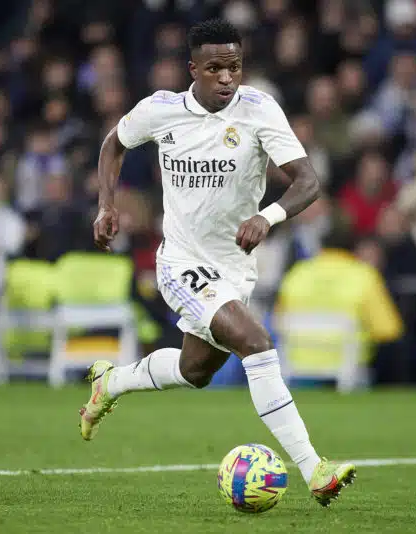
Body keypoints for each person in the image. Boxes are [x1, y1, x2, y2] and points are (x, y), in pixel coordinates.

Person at [84, 19, 355, 507]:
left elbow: (307, 181)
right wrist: (107, 205)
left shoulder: (259, 110)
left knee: (195, 370)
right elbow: (113, 145)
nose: (227, 77)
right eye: (215, 68)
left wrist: (267, 217)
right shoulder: (161, 110)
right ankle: (315, 469)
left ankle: (112, 381)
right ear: (194, 70)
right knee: (256, 341)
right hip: (182, 261)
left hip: (235, 268)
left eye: (234, 66)